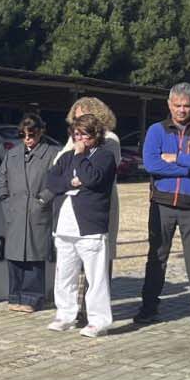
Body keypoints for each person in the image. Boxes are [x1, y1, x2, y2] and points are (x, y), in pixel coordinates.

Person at [134, 82, 190, 330]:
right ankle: (148, 307)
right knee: (156, 258)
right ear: (169, 105)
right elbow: (152, 165)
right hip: (162, 204)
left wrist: (177, 158)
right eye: (177, 105)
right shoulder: (156, 131)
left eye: (187, 105)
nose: (182, 110)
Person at [45, 113, 118, 337]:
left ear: (95, 135)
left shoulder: (104, 156)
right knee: (65, 272)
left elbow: (93, 179)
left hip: (90, 226)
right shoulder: (66, 156)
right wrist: (71, 182)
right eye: (76, 134)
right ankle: (65, 313)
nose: (80, 139)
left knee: (95, 277)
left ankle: (99, 320)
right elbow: (52, 182)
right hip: (65, 224)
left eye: (84, 134)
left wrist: (80, 158)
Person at [59, 97, 122, 326]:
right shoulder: (74, 140)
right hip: (75, 205)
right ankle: (74, 310)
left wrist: (78, 161)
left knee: (97, 261)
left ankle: (93, 312)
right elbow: (59, 167)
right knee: (71, 263)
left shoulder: (109, 140)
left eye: (84, 117)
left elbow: (94, 175)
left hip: (98, 204)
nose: (79, 123)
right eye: (75, 119)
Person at [0, 114, 59, 312]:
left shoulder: (51, 154)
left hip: (37, 213)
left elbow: (57, 180)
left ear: (41, 131)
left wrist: (42, 199)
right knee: (15, 255)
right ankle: (15, 296)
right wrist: (6, 201)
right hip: (15, 212)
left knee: (34, 256)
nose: (27, 138)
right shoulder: (12, 154)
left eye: (31, 134)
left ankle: (33, 299)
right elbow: (1, 179)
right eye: (23, 134)